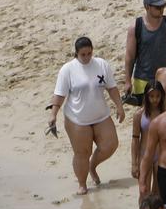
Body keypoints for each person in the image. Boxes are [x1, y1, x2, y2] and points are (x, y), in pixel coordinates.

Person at [49, 35, 123, 195]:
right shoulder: (67, 70)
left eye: (89, 53)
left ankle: (92, 166)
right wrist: (53, 114)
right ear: (76, 54)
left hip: (101, 115)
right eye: (83, 54)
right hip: (77, 118)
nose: (87, 57)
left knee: (110, 145)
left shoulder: (102, 64)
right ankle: (82, 184)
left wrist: (119, 106)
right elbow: (59, 95)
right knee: (82, 152)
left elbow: (112, 88)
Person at [124, 0, 166, 109]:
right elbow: (130, 57)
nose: (161, 10)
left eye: (162, 6)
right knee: (147, 117)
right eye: (157, 7)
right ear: (147, 7)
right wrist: (127, 81)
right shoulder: (135, 27)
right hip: (143, 80)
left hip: (165, 77)